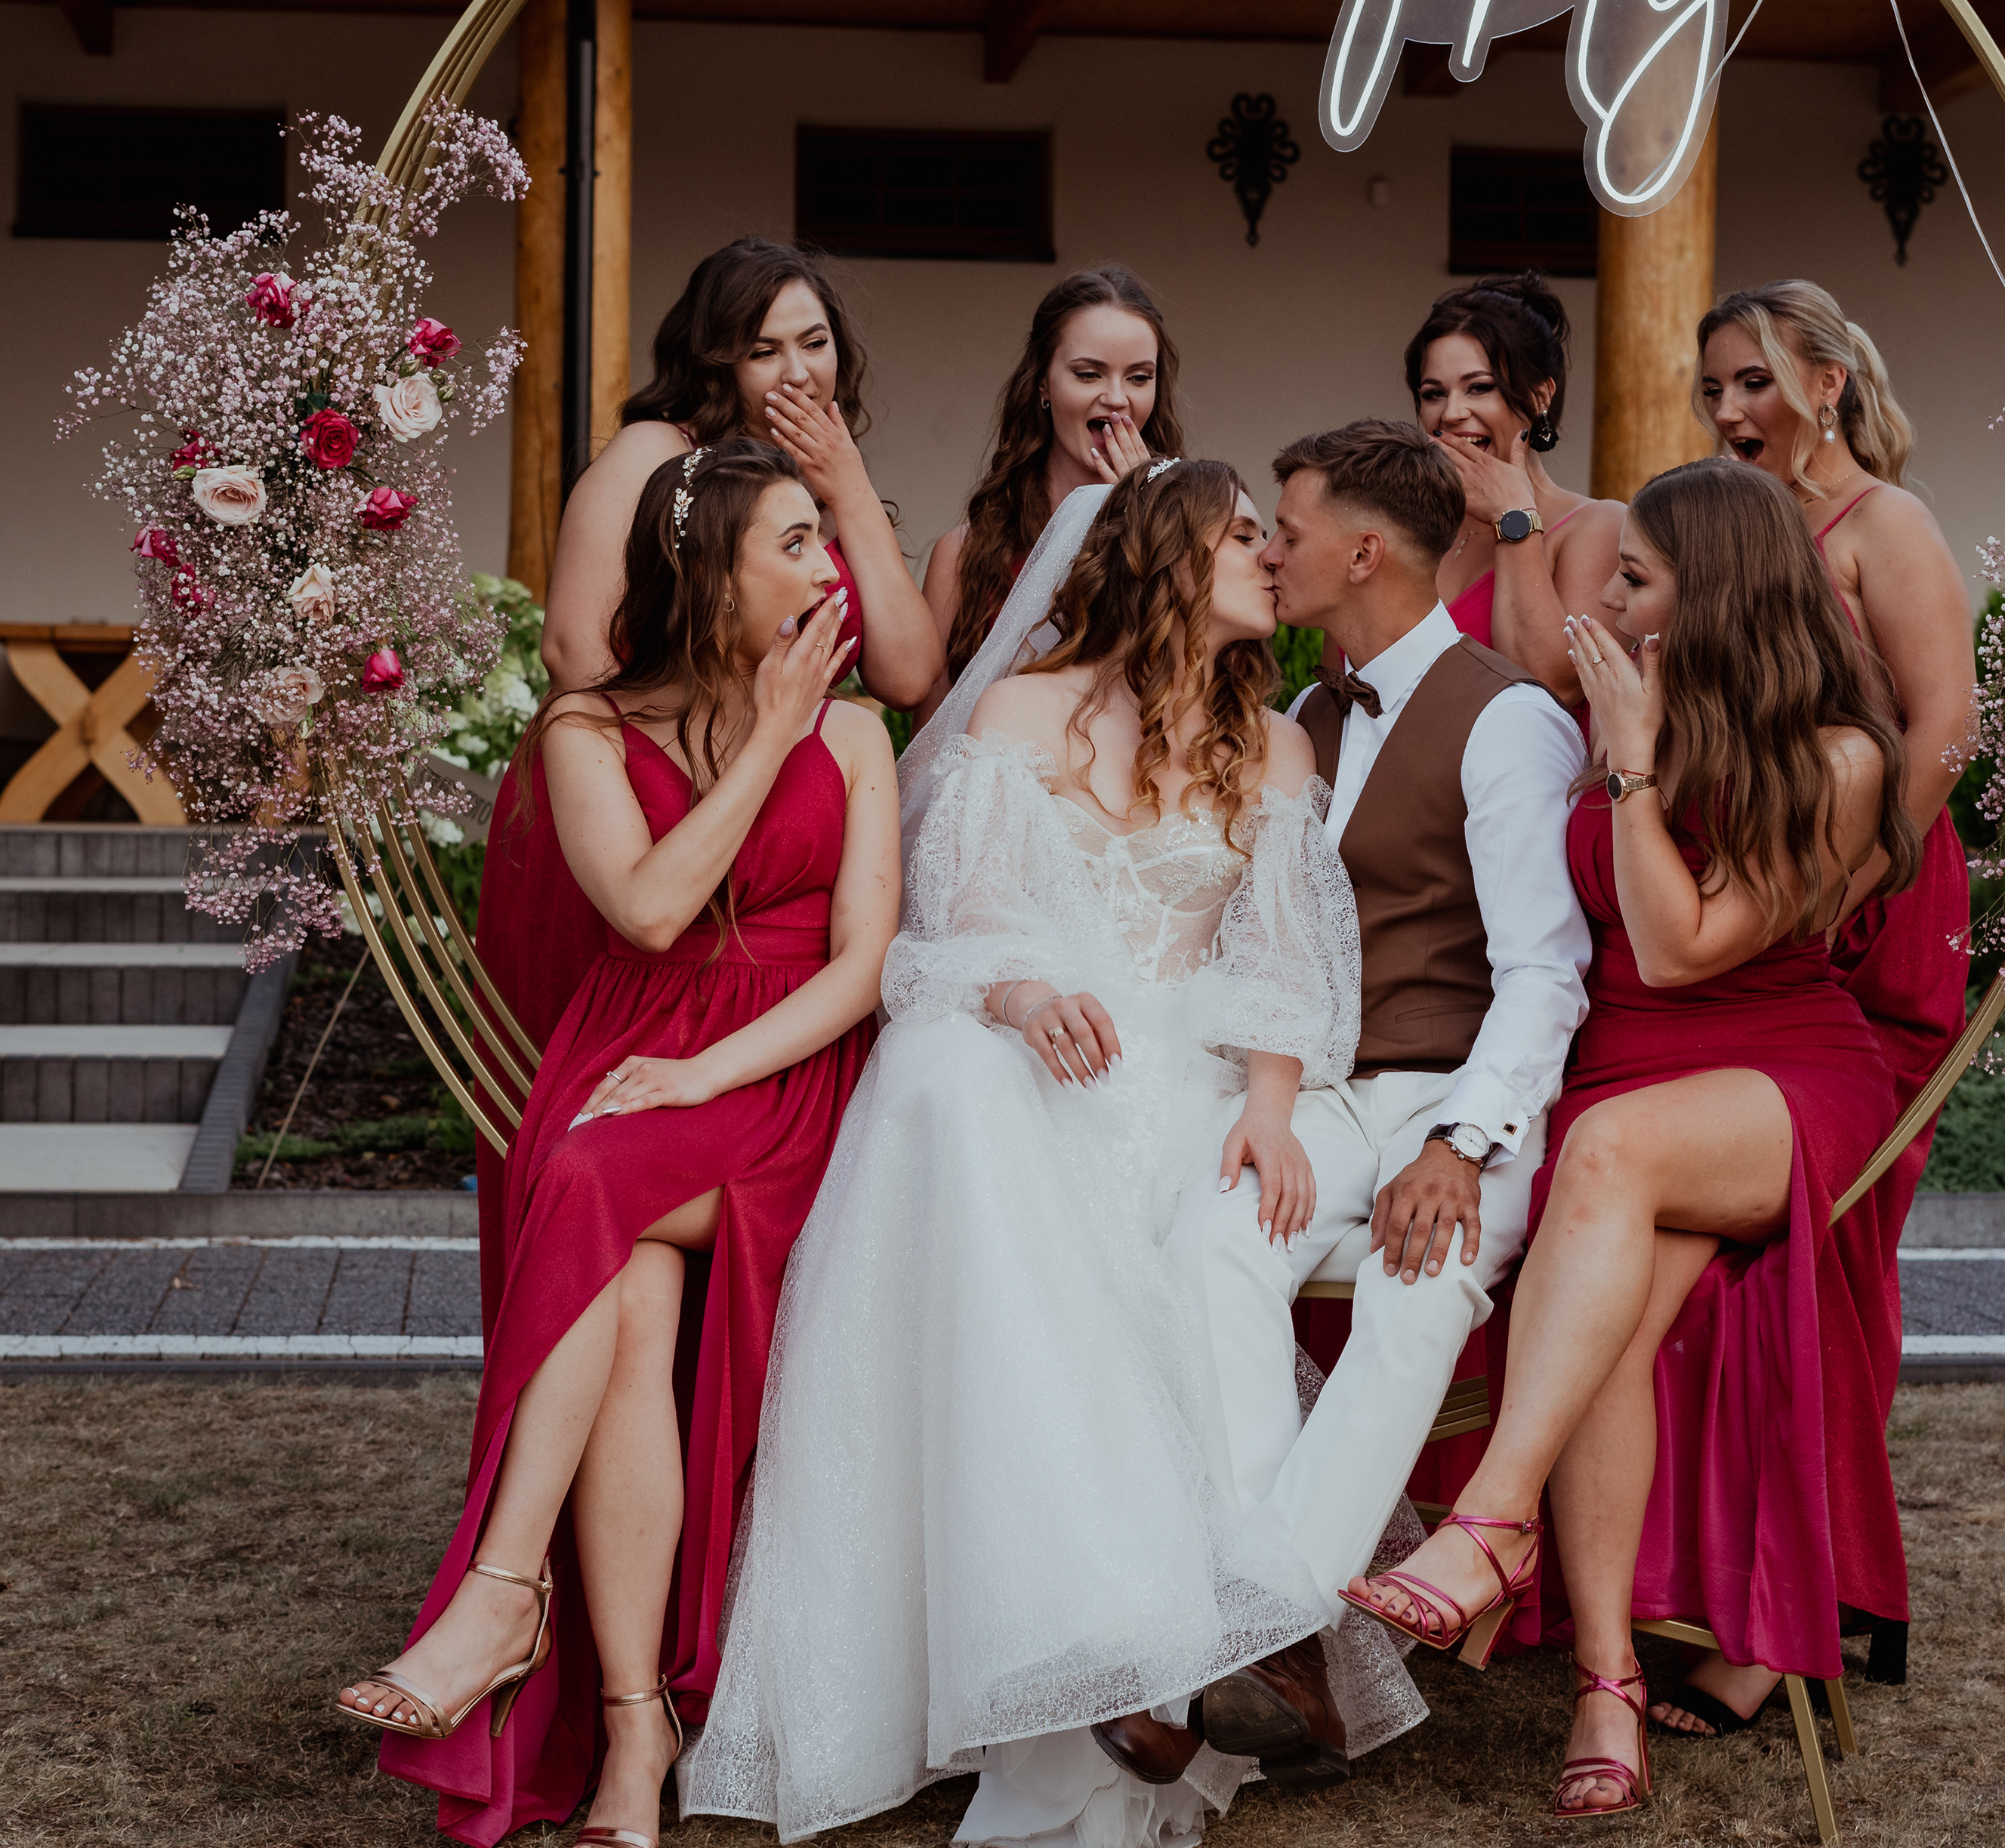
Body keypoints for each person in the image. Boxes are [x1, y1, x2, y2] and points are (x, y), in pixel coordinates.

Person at [681, 460, 1424, 1847]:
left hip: (1191, 1069)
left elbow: (1289, 964)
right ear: (1165, 559)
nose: (1270, 558)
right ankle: (1108, 1644)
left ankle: (1160, 1649)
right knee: (958, 1091)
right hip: (1039, 1038)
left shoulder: (1277, 747)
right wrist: (1025, 999)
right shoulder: (1023, 712)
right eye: (1241, 537)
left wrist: (1270, 1103)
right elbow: (957, 928)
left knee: (1161, 1206)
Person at [337, 441, 902, 1848]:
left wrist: (708, 1072)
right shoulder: (584, 733)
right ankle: (635, 1732)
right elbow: (649, 911)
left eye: (824, 537)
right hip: (632, 1046)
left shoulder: (854, 735)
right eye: (795, 542)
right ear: (709, 573)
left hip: (778, 1070)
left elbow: (862, 967)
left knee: (590, 1179)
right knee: (635, 1289)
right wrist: (762, 738)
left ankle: (501, 1590)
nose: (826, 568)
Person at [1337, 459, 1919, 1819]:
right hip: (1628, 1086)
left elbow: (1676, 948)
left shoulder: (1840, 756)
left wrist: (1638, 763)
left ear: (1716, 594)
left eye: (1637, 581)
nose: (1605, 604)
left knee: (1601, 1159)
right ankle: (1606, 1686)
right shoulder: (1619, 710)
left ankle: (1491, 1524)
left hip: (1779, 1075)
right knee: (1602, 1317)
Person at [1172, 421, 1590, 1754]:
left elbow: (1545, 972)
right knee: (1214, 1240)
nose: (1268, 552)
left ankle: (1259, 1630)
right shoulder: (1303, 719)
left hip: (1464, 1091)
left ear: (1364, 552)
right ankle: (1286, 1640)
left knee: (1419, 1281)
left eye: (1286, 531)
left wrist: (1463, 1144)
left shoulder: (1508, 719)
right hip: (1332, 1094)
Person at [471, 238, 941, 1322]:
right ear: (714, 356)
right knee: (609, 1134)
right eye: (764, 349)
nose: (796, 372)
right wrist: (728, 752)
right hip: (643, 816)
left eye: (814, 343)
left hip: (778, 830)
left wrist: (847, 488)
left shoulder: (809, 492)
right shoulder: (658, 453)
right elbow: (576, 648)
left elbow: (908, 673)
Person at [1689, 278, 1975, 1711]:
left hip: (1878, 908)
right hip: (1769, 906)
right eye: (1713, 391)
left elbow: (1944, 730)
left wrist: (1850, 888)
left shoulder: (1885, 525)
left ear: (1825, 383)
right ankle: (1795, 1580)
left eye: (1752, 381)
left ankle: (1814, 1603)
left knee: (1834, 1246)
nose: (1729, 411)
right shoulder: (1744, 529)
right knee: (1748, 1259)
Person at [918, 264, 1183, 720]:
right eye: (1089, 374)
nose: (1117, 398)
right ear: (1043, 381)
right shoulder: (964, 556)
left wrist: (1149, 516)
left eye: (1139, 377)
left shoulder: (1186, 540)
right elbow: (931, 735)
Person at [1406, 273, 1623, 705]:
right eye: (1433, 394)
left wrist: (1513, 515)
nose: (1451, 413)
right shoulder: (1400, 526)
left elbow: (1551, 685)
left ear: (1540, 397)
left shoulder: (1599, 526)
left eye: (1479, 388)